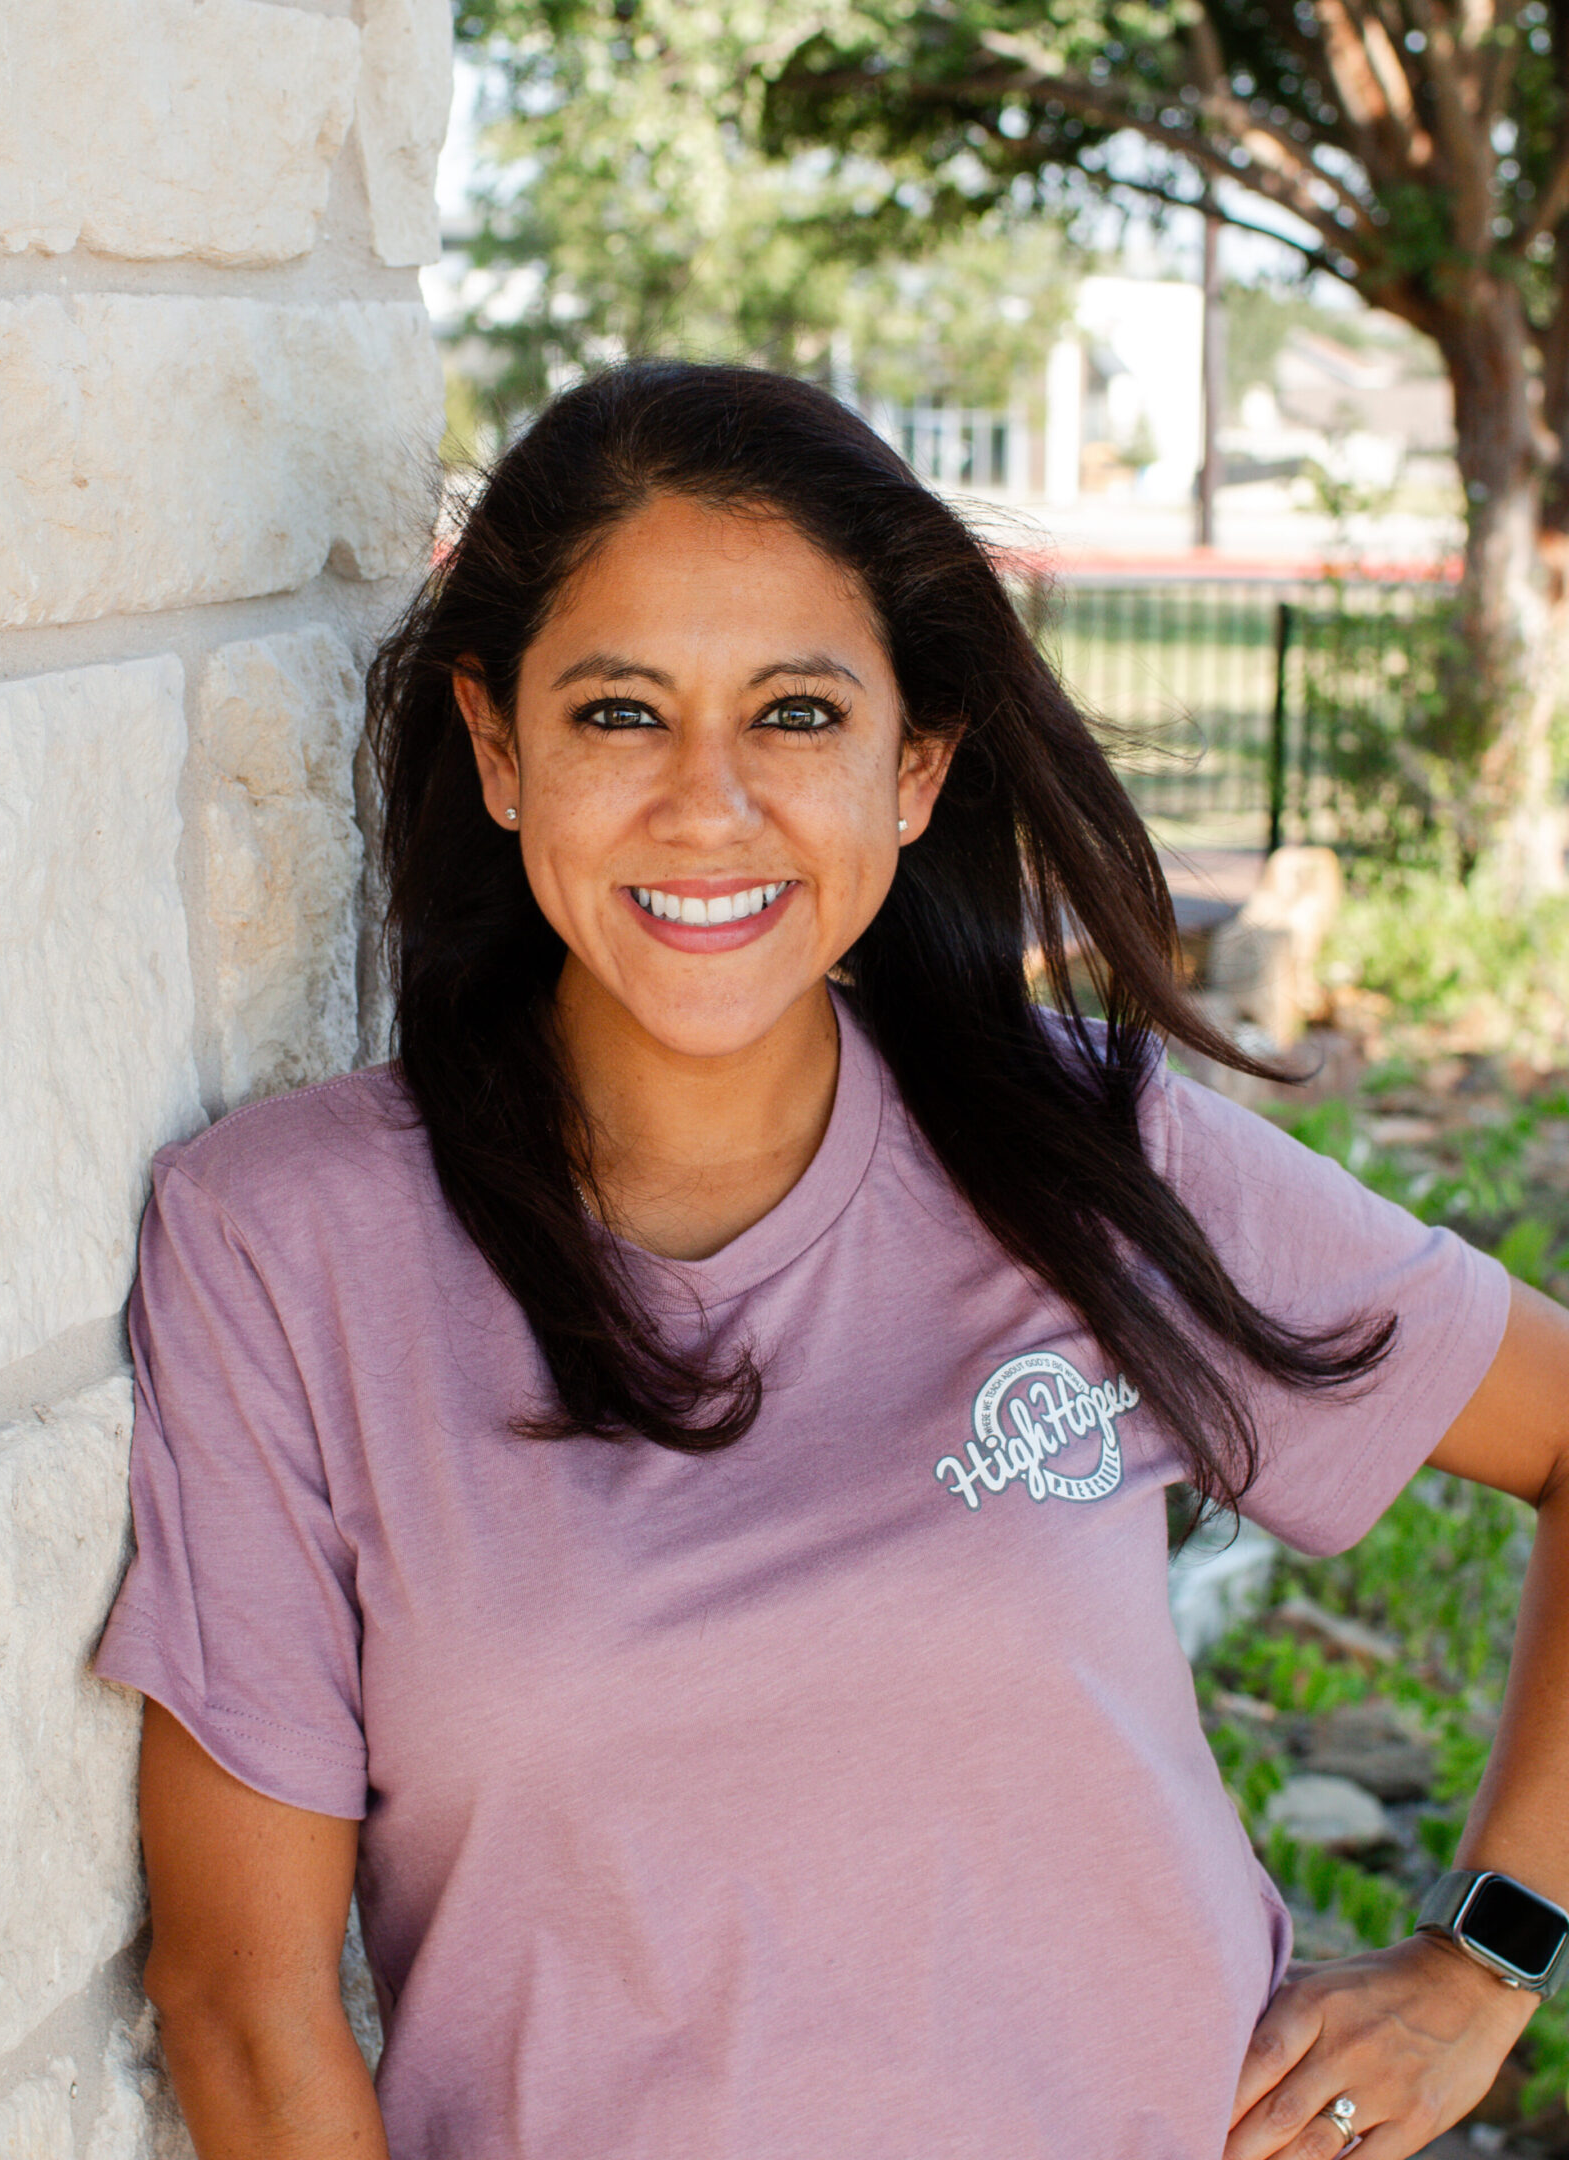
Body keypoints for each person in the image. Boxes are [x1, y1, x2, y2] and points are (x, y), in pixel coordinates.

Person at [94, 361, 1569, 2160]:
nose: (708, 808)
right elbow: (241, 2009)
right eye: (620, 713)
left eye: (795, 714)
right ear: (498, 750)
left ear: (914, 765)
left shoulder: (1082, 1150)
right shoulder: (286, 1246)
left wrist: (1491, 1955)